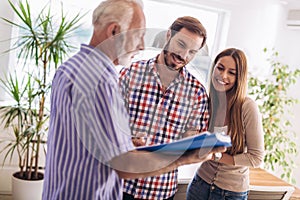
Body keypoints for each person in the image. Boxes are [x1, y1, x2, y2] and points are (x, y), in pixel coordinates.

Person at [42, 1, 226, 200]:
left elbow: (89, 138)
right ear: (114, 32)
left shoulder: (69, 68)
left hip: (157, 190)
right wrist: (186, 155)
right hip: (113, 188)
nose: (141, 45)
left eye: (192, 52)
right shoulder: (107, 79)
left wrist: (124, 142)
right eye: (138, 36)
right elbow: (124, 163)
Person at [119, 16, 210, 200]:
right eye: (181, 45)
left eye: (192, 52)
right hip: (120, 184)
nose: (184, 56)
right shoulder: (131, 73)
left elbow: (192, 144)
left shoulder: (197, 93)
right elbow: (107, 123)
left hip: (160, 190)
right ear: (169, 35)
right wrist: (127, 140)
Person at [186, 48, 265, 200]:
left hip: (230, 192)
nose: (223, 76)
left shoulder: (247, 107)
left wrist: (215, 156)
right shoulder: (209, 102)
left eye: (231, 73)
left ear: (239, 77)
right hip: (199, 184)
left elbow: (256, 157)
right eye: (220, 68)